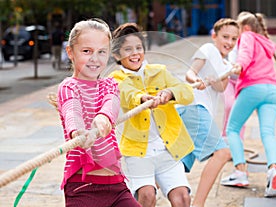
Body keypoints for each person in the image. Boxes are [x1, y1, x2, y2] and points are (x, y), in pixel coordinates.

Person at [56, 18, 141, 207]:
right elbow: (72, 111)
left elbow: (111, 103)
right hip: (82, 188)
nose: (95, 58)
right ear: (70, 52)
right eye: (87, 51)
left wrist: (103, 118)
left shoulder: (110, 84)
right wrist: (78, 132)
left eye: (101, 52)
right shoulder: (69, 87)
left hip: (117, 186)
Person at [109, 22, 194, 207]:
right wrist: (142, 98)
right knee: (147, 197)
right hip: (138, 152)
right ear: (116, 55)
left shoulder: (160, 72)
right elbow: (127, 94)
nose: (135, 53)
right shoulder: (115, 79)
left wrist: (170, 93)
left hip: (167, 148)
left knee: (183, 198)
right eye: (128, 49)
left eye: (139, 47)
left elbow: (187, 93)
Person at [176, 18, 240, 207]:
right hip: (194, 108)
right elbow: (190, 72)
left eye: (234, 39)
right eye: (225, 37)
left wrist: (216, 78)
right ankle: (199, 204)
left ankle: (140, 199)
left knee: (175, 166)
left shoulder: (227, 64)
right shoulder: (208, 49)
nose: (229, 42)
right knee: (222, 153)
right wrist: (197, 79)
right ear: (214, 36)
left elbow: (221, 87)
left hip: (192, 113)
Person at [220, 11, 276, 197]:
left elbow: (245, 54)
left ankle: (240, 172)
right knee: (268, 133)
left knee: (232, 129)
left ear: (245, 28)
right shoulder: (265, 42)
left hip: (252, 88)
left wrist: (239, 65)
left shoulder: (247, 36)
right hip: (272, 91)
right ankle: (273, 170)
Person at [222, 44, 246, 141]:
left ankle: (238, 140)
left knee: (241, 109)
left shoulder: (248, 40)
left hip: (243, 80)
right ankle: (224, 137)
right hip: (228, 78)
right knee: (229, 105)